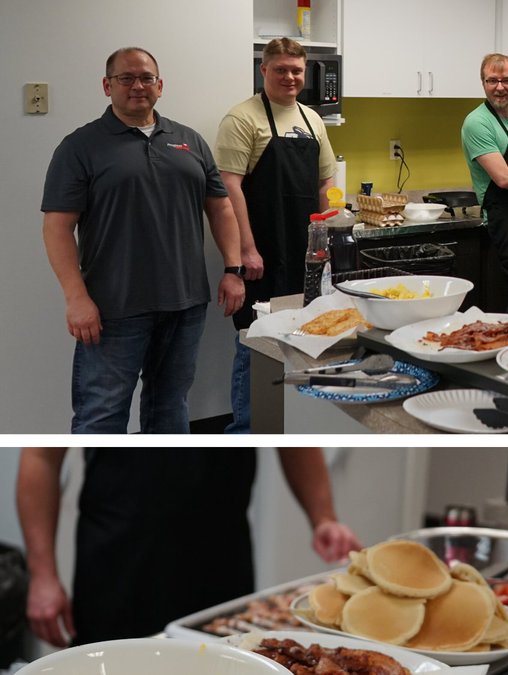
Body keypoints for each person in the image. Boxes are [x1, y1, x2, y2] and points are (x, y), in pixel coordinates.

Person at [41, 47, 245, 434]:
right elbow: (57, 227)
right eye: (126, 78)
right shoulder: (80, 147)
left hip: (185, 304)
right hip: (113, 308)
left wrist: (232, 269)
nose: (137, 86)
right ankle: (95, 495)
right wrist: (76, 297)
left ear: (160, 85)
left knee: (170, 405)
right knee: (101, 414)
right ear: (107, 86)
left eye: (146, 78)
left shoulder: (190, 140)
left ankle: (162, 490)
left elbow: (220, 208)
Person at [17, 447, 362, 647]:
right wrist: (43, 575)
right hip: (118, 570)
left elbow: (293, 443)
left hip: (223, 569)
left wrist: (323, 517)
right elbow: (41, 456)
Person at [216, 37, 337, 434]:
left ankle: (294, 428)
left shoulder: (311, 118)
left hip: (305, 251)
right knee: (255, 344)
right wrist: (246, 249)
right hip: (262, 251)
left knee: (303, 337)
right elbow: (229, 189)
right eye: (281, 69)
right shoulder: (243, 118)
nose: (290, 77)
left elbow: (325, 182)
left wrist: (327, 236)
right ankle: (246, 433)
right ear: (263, 70)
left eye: (296, 70)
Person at [461, 53, 508, 313]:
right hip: (503, 221)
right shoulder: (477, 122)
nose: (500, 87)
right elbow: (502, 177)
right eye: (492, 81)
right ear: (483, 83)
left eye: (506, 80)